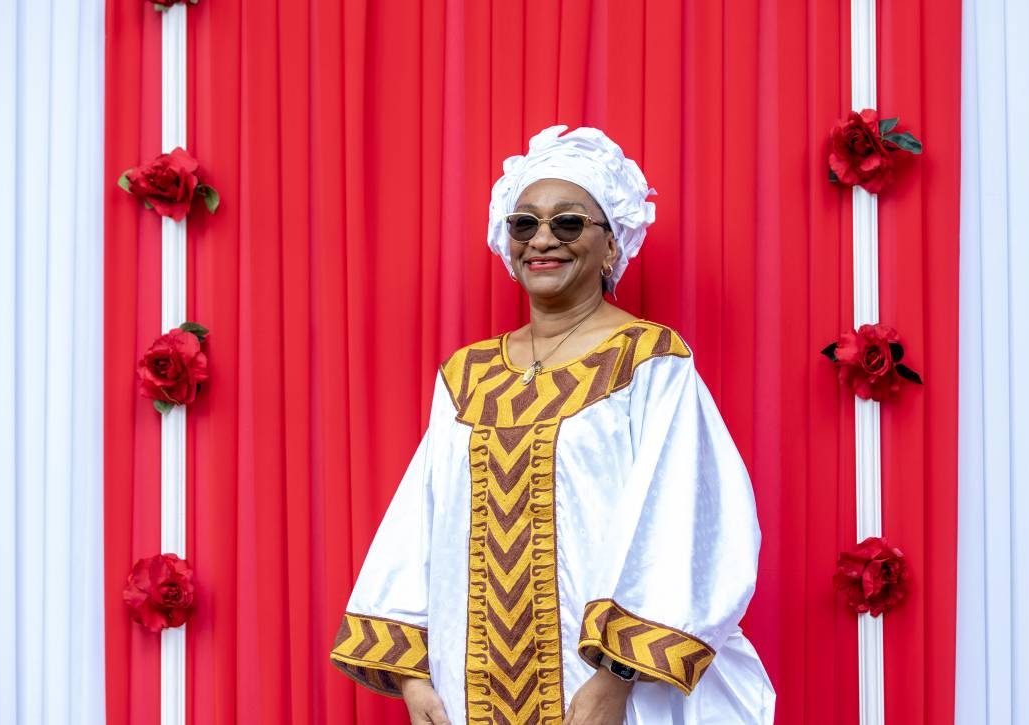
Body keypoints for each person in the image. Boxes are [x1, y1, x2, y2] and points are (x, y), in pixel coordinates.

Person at [330, 125, 775, 724]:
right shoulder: (467, 375)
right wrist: (414, 676)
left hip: (605, 688)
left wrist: (615, 680)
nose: (542, 239)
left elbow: (683, 523)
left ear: (611, 245)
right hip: (470, 686)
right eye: (524, 224)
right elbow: (420, 523)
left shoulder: (647, 361)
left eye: (567, 222)